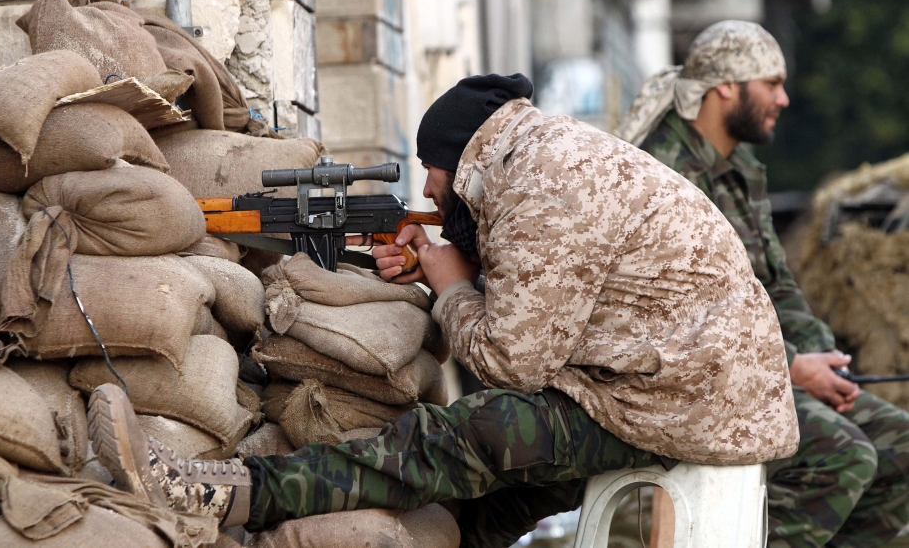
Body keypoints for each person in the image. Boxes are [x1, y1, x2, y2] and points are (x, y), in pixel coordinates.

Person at [89, 73, 799, 547]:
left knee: (463, 438)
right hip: (684, 393)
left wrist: (453, 284)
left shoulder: (545, 187)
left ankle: (220, 495)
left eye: (430, 171)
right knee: (501, 496)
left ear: (461, 158)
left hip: (681, 405)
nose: (427, 188)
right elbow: (556, 291)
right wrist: (443, 269)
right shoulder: (544, 162)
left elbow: (512, 363)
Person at [618, 20, 909, 548]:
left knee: (900, 444)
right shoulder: (663, 173)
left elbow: (777, 285)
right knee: (844, 456)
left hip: (763, 371)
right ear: (727, 85)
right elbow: (683, 316)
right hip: (690, 385)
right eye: (772, 83)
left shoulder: (739, 167)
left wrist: (822, 359)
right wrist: (795, 367)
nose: (785, 98)